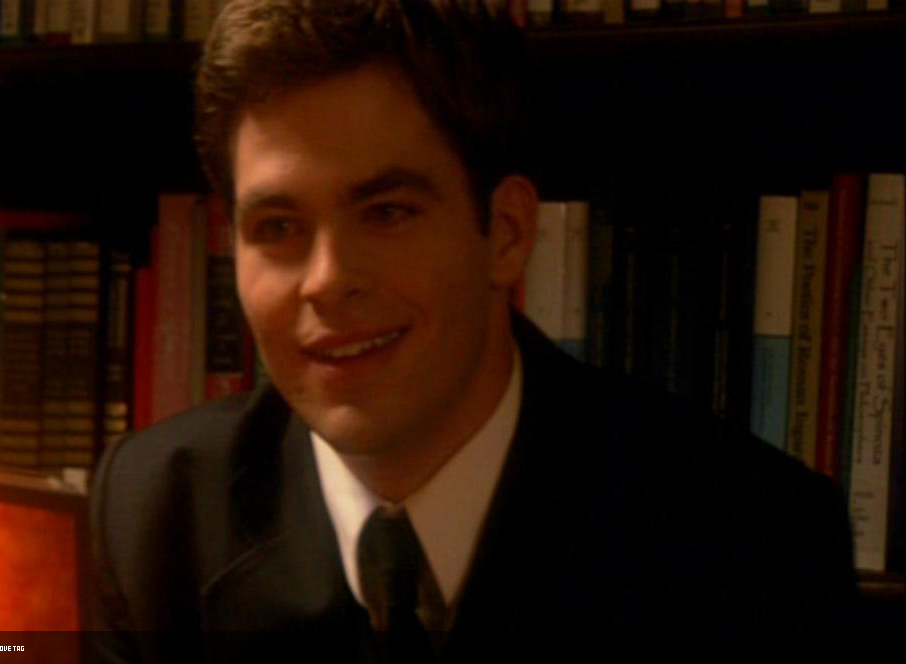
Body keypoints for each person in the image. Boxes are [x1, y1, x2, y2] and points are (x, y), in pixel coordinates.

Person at [90, 2, 859, 661]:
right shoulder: (151, 515)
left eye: (386, 212)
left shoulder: (751, 537)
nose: (325, 279)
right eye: (278, 227)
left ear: (508, 234)